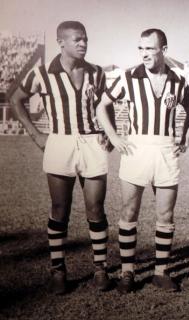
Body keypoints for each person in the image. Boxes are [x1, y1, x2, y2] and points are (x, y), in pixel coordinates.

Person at [9, 21, 112, 294]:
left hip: (92, 143)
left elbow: (106, 106)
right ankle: (58, 270)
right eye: (77, 39)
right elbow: (15, 98)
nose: (83, 44)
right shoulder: (42, 73)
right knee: (59, 209)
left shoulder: (97, 73)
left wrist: (109, 133)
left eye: (86, 39)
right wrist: (35, 135)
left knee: (96, 207)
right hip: (60, 142)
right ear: (62, 42)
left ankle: (100, 268)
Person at [96, 28, 189, 294]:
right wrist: (115, 138)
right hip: (136, 149)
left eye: (149, 48)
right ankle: (128, 272)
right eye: (140, 48)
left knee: (165, 215)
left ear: (163, 49)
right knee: (129, 212)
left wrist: (184, 137)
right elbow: (101, 105)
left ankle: (161, 273)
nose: (144, 54)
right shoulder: (128, 77)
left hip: (165, 150)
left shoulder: (179, 80)